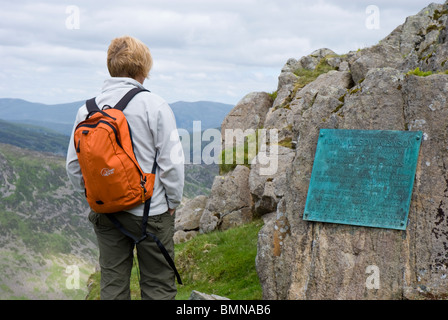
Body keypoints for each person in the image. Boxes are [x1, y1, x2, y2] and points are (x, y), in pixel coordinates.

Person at [66, 35, 184, 300]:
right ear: (144, 69)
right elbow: (172, 163)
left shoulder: (85, 111)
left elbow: (74, 166)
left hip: (106, 213)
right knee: (158, 287)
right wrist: (172, 201)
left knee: (113, 285)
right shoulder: (155, 105)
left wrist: (97, 195)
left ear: (111, 67)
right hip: (150, 211)